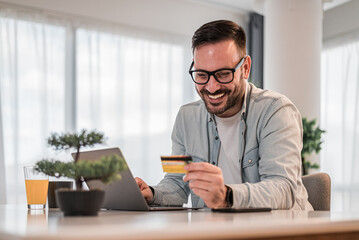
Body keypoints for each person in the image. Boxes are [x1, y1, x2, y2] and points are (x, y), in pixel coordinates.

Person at [135, 20, 313, 210]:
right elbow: (176, 182)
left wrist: (227, 196)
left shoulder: (276, 110)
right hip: (219, 229)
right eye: (202, 74)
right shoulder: (185, 117)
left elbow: (283, 189)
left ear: (245, 68)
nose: (212, 87)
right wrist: (152, 193)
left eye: (223, 73)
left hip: (281, 230)